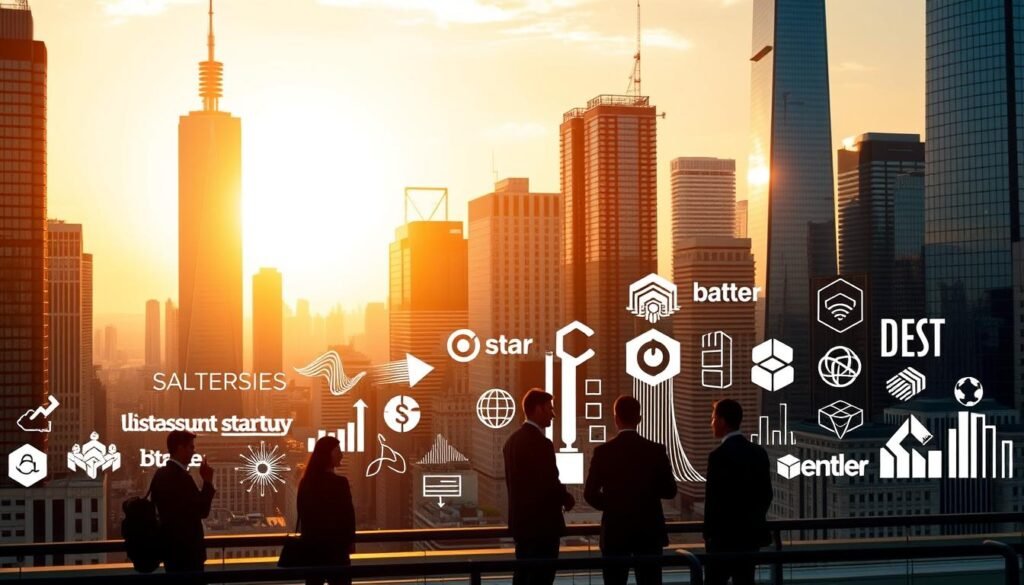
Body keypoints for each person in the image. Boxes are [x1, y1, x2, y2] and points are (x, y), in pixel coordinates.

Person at [584, 396, 677, 585]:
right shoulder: (656, 450)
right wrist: (645, 495)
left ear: (616, 419)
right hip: (649, 532)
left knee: (614, 581)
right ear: (639, 419)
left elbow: (590, 493)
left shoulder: (603, 451)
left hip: (615, 533)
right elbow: (670, 491)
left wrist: (614, 505)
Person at [503, 389, 575, 585]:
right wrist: (567, 499)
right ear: (537, 409)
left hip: (521, 526)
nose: (553, 414)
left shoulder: (511, 442)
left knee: (523, 576)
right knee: (541, 578)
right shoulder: (541, 443)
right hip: (542, 528)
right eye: (549, 408)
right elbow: (549, 481)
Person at [703, 399, 773, 585]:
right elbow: (767, 494)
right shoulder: (759, 453)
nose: (711, 423)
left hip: (722, 542)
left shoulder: (717, 457)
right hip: (750, 540)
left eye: (713, 418)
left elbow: (712, 502)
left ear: (722, 421)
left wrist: (709, 538)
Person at [148, 430, 215, 583]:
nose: (194, 452)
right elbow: (202, 511)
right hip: (188, 554)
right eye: (191, 447)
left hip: (171, 553)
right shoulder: (182, 478)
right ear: (180, 448)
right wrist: (208, 482)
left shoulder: (160, 474)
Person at [297, 435, 356, 585]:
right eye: (338, 451)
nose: (342, 454)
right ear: (328, 455)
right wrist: (349, 543)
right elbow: (348, 518)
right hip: (337, 552)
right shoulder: (340, 483)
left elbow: (303, 516)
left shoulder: (305, 483)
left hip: (313, 552)